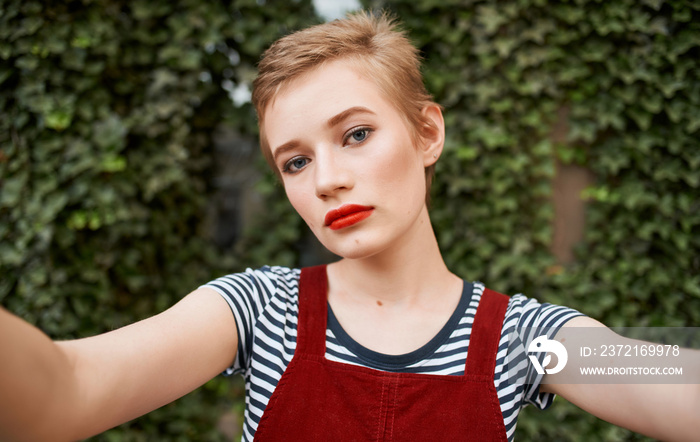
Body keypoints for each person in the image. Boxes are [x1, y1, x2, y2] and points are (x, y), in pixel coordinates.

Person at [1, 11, 698, 442]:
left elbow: (664, 380)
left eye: (356, 134)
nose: (326, 178)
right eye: (295, 160)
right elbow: (66, 389)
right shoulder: (256, 311)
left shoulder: (524, 340)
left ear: (427, 133)